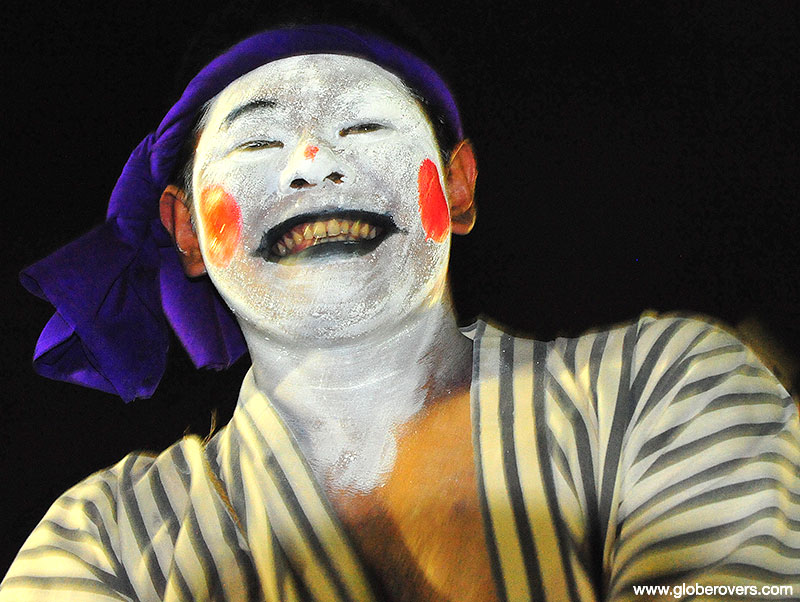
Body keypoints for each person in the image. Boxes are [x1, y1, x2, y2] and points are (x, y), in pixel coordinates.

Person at [2, 23, 799, 602]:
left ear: (456, 187)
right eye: (257, 143)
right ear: (187, 232)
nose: (313, 161)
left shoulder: (665, 390)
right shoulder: (103, 542)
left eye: (363, 125)